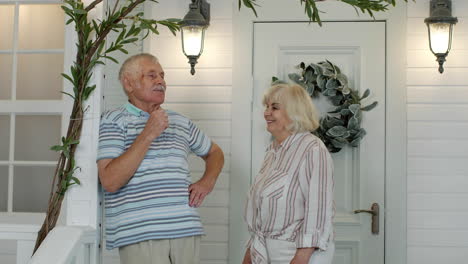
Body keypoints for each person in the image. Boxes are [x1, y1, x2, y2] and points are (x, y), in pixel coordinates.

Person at [97, 53, 224, 264]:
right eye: (151, 75)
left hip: (185, 230)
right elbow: (110, 181)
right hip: (141, 234)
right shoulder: (114, 121)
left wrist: (207, 181)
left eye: (162, 76)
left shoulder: (179, 121)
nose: (161, 81)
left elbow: (214, 152)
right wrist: (149, 133)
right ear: (128, 83)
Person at [243, 83, 335, 264]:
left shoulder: (312, 148)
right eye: (267, 107)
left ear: (295, 112)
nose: (267, 113)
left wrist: (302, 256)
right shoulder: (273, 151)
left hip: (297, 252)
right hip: (266, 250)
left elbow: (318, 209)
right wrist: (250, 253)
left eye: (274, 107)